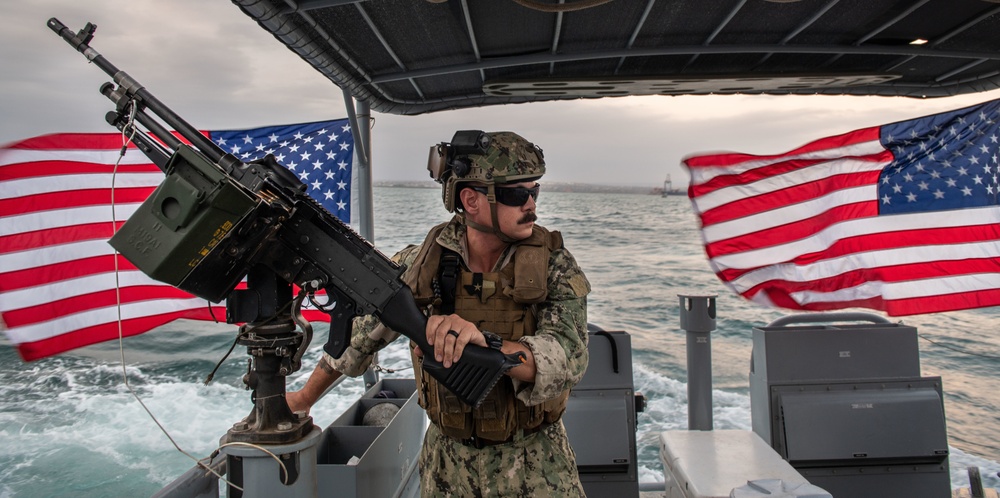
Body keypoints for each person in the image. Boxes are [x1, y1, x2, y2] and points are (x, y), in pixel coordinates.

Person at [287, 130, 591, 497]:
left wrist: (490, 345)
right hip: (447, 466)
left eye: (534, 190)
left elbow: (568, 357)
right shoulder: (421, 265)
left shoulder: (554, 266)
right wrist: (302, 400)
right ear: (471, 199)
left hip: (536, 466)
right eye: (516, 194)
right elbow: (357, 343)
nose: (531, 204)